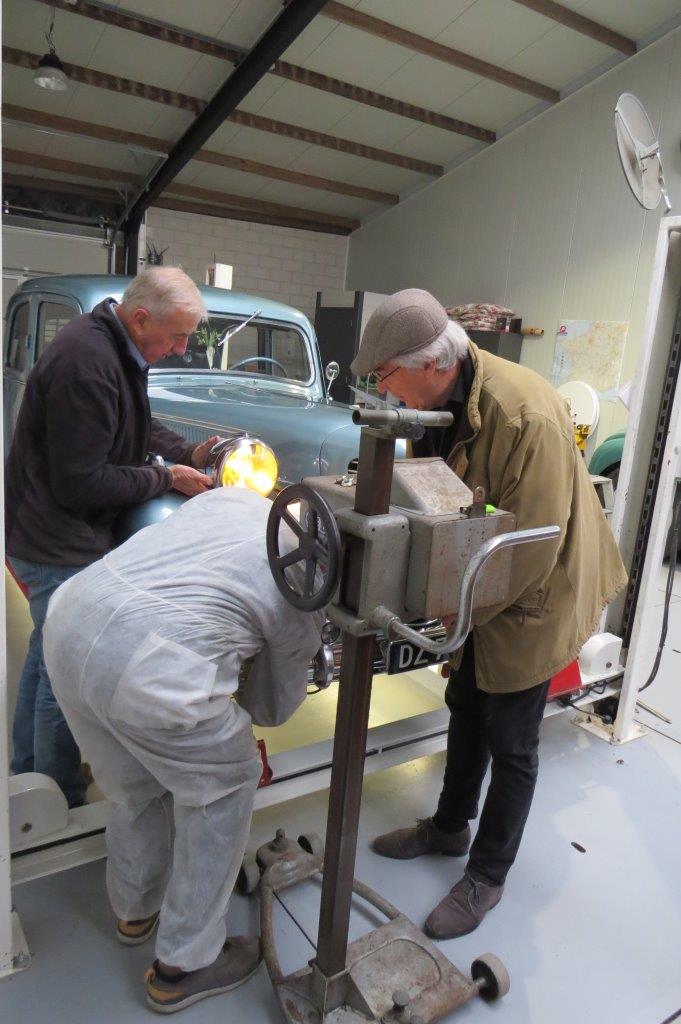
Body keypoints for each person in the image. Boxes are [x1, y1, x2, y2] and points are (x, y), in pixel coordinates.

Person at [350, 289, 627, 940]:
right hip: (483, 582)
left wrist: (449, 616)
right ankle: (449, 828)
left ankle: (487, 874)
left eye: (384, 375)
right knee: (467, 704)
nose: (383, 389)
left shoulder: (523, 414)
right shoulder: (440, 402)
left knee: (513, 737)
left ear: (429, 363)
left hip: (537, 590)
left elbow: (533, 546)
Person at [42, 485, 324, 1013]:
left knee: (132, 785)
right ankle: (184, 965)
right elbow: (268, 709)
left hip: (71, 621)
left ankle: (135, 910)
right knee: (227, 783)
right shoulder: (302, 588)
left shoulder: (235, 499)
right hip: (148, 668)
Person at [5, 267, 220, 807]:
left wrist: (187, 451)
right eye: (177, 335)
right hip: (55, 539)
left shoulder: (115, 347)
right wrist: (166, 478)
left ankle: (28, 773)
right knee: (65, 672)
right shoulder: (88, 362)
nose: (181, 348)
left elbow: (132, 422)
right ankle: (57, 796)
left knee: (45, 654)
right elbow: (81, 483)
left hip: (48, 528)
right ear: (141, 318)